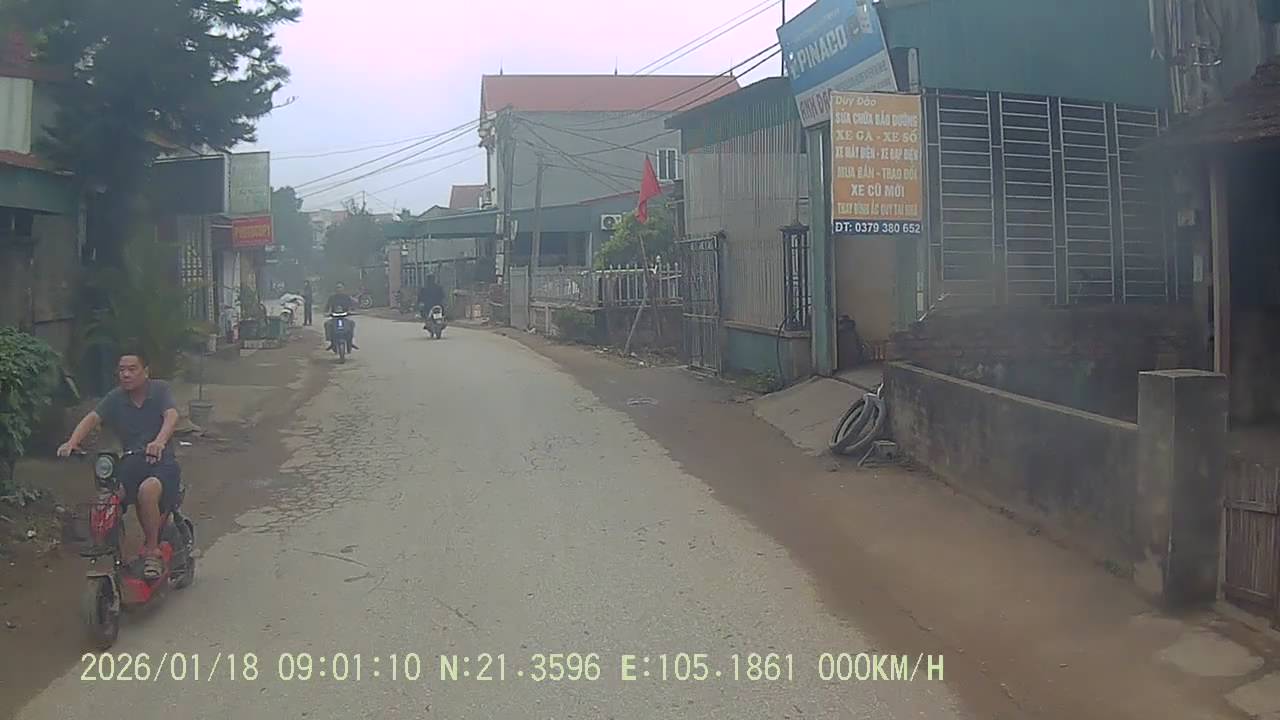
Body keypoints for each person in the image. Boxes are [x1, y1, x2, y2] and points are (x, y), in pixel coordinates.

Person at [58, 351, 180, 580]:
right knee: (107, 498)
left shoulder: (160, 390)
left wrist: (159, 442)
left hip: (162, 461)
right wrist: (72, 442)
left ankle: (152, 550)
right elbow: (92, 418)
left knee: (146, 491)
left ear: (145, 371)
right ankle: (111, 551)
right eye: (122, 370)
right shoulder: (115, 397)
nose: (126, 374)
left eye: (132, 369)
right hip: (131, 462)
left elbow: (171, 416)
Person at [324, 282, 358, 351]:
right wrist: (326, 313)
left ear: (343, 288)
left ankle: (350, 341)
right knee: (327, 324)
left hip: (345, 317)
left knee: (351, 323)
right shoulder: (332, 297)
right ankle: (331, 341)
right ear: (335, 289)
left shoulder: (346, 297)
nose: (339, 289)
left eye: (340, 287)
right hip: (334, 317)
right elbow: (327, 307)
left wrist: (351, 310)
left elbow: (352, 305)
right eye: (337, 288)